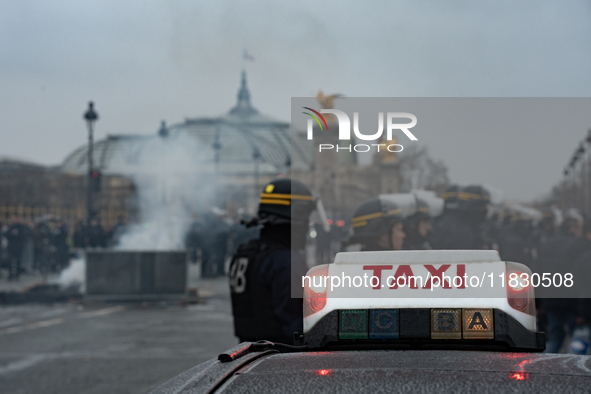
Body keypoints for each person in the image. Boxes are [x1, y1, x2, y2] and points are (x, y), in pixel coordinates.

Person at [229, 178, 316, 344]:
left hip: (247, 353)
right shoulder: (285, 260)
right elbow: (296, 322)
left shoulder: (246, 252)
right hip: (280, 355)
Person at [536, 211, 584, 353]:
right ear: (574, 227)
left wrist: (539, 302)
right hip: (573, 300)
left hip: (551, 298)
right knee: (578, 337)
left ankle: (543, 367)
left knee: (556, 336)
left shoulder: (546, 244)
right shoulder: (578, 245)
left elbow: (538, 272)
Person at [430, 185, 490, 250]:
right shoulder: (463, 231)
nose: (485, 211)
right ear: (473, 207)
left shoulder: (465, 226)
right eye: (482, 208)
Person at [5, 215, 29, 280]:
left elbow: (24, 236)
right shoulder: (11, 226)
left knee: (18, 261)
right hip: (11, 247)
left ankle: (17, 275)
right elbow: (7, 235)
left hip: (19, 247)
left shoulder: (21, 227)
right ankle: (10, 274)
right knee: (10, 261)